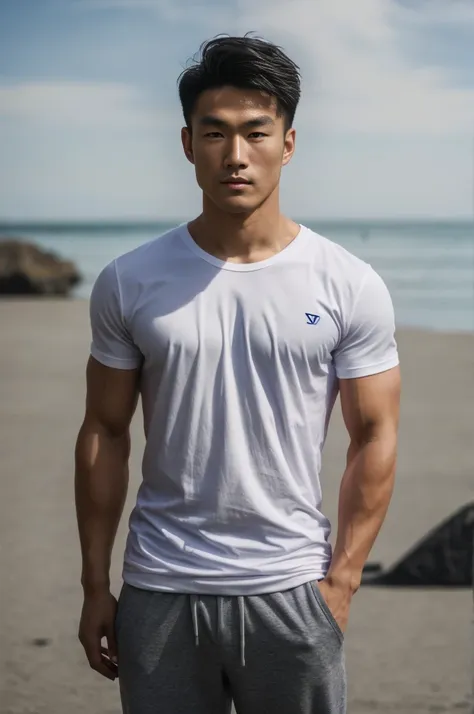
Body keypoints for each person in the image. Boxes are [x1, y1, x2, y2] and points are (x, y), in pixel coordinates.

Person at [75, 34, 401, 714]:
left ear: (288, 142)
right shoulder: (131, 281)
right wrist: (95, 586)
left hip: (291, 587)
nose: (235, 155)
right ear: (188, 143)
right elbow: (105, 430)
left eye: (257, 133)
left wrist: (341, 581)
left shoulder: (347, 283)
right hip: (161, 585)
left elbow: (375, 435)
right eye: (214, 133)